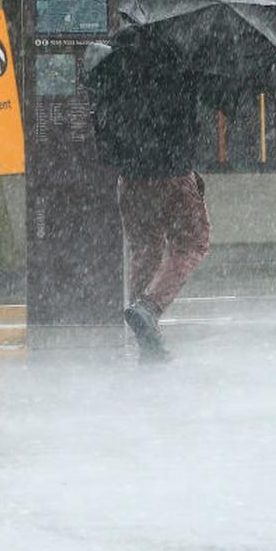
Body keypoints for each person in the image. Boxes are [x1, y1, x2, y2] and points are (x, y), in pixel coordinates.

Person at [85, 26, 212, 363]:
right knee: (191, 243)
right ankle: (149, 308)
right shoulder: (180, 55)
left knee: (145, 247)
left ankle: (147, 339)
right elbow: (187, 121)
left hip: (131, 176)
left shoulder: (117, 55)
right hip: (172, 172)